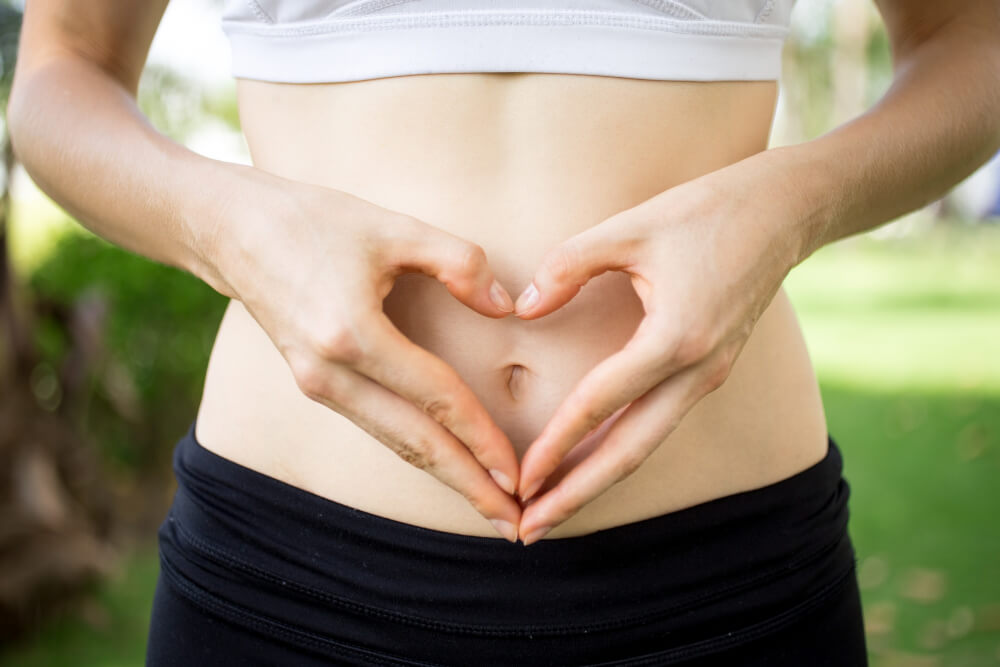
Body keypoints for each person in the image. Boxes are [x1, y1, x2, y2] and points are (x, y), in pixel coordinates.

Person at [8, 0, 999, 664]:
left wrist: (788, 209)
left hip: (720, 575)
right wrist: (238, 233)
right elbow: (61, 81)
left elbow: (969, 44)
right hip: (292, 570)